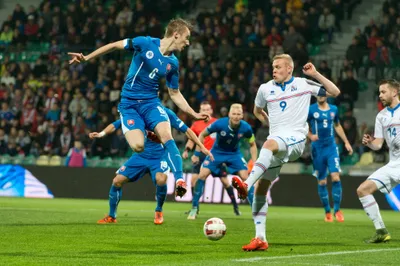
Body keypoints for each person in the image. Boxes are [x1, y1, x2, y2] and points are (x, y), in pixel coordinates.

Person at [68, 18, 210, 198]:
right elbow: (113, 45)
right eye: (186, 37)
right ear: (176, 35)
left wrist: (193, 113)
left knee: (166, 135)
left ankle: (180, 180)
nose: (188, 42)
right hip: (129, 104)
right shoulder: (145, 43)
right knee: (138, 146)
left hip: (151, 103)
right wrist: (87, 57)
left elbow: (174, 93)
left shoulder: (173, 64)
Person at [232, 54, 340, 251]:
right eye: (273, 66)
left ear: (289, 69)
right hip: (279, 142)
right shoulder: (265, 89)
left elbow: (334, 91)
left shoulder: (302, 84)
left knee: (268, 145)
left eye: (278, 67)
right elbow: (257, 111)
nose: (274, 70)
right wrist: (271, 123)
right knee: (262, 189)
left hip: (296, 139)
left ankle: (246, 184)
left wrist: (315, 73)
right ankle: (260, 238)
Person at [91, 107, 213, 225]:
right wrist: (101, 134)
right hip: (139, 156)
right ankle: (112, 216)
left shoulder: (165, 113)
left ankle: (159, 210)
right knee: (117, 181)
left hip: (159, 157)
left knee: (161, 179)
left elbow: (186, 130)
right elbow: (116, 124)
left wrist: (202, 147)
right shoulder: (136, 112)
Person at [187, 104, 258, 220]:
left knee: (246, 177)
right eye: (234, 114)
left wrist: (254, 162)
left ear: (242, 116)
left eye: (238, 114)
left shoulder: (246, 128)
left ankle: (255, 212)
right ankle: (194, 208)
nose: (236, 116)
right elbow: (202, 135)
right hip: (216, 153)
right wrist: (196, 154)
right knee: (202, 174)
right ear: (229, 114)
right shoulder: (220, 124)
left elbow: (253, 145)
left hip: (234, 154)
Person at [357, 79, 400, 243]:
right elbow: (379, 145)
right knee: (363, 190)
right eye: (379, 92)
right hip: (393, 164)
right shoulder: (381, 116)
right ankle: (381, 231)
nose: (380, 95)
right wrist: (370, 143)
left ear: (394, 92)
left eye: (384, 92)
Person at [308, 96, 353, 222]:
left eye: (323, 94)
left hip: (331, 147)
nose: (320, 96)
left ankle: (337, 210)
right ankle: (327, 211)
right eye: (318, 94)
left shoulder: (334, 109)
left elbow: (337, 125)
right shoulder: (310, 109)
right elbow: (301, 125)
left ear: (326, 96)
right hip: (317, 149)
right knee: (322, 182)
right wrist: (310, 135)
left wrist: (346, 142)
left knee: (335, 177)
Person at [182, 101, 217, 214]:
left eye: (207, 109)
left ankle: (236, 208)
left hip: (215, 155)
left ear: (211, 111)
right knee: (193, 181)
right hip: (200, 154)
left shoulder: (217, 123)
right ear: (200, 112)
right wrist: (187, 150)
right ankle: (195, 207)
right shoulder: (196, 124)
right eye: (203, 110)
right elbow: (192, 138)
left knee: (225, 182)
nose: (206, 112)